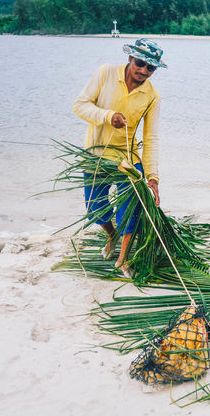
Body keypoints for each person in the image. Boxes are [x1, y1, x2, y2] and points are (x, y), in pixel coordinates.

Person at [73, 38, 166, 274]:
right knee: (95, 209)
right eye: (140, 63)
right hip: (96, 155)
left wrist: (153, 178)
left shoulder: (152, 96)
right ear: (130, 59)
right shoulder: (105, 73)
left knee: (129, 209)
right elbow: (79, 105)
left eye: (150, 68)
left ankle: (123, 259)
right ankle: (111, 235)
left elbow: (152, 138)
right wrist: (107, 116)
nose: (143, 71)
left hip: (128, 159)